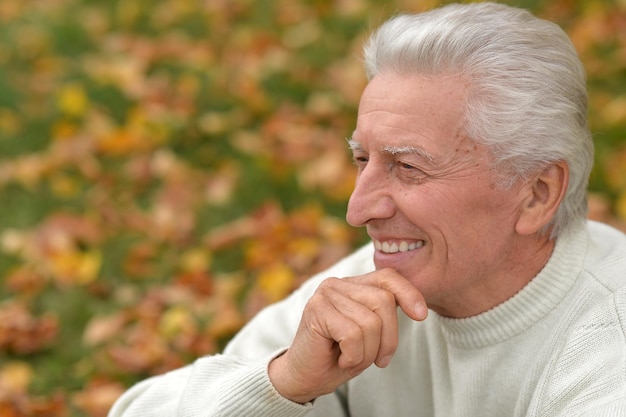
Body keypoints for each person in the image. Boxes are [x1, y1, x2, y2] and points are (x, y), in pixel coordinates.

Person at [109, 2, 626, 416]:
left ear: (536, 192)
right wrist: (285, 383)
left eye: (408, 168)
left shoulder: (608, 350)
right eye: (362, 159)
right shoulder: (377, 291)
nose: (358, 210)